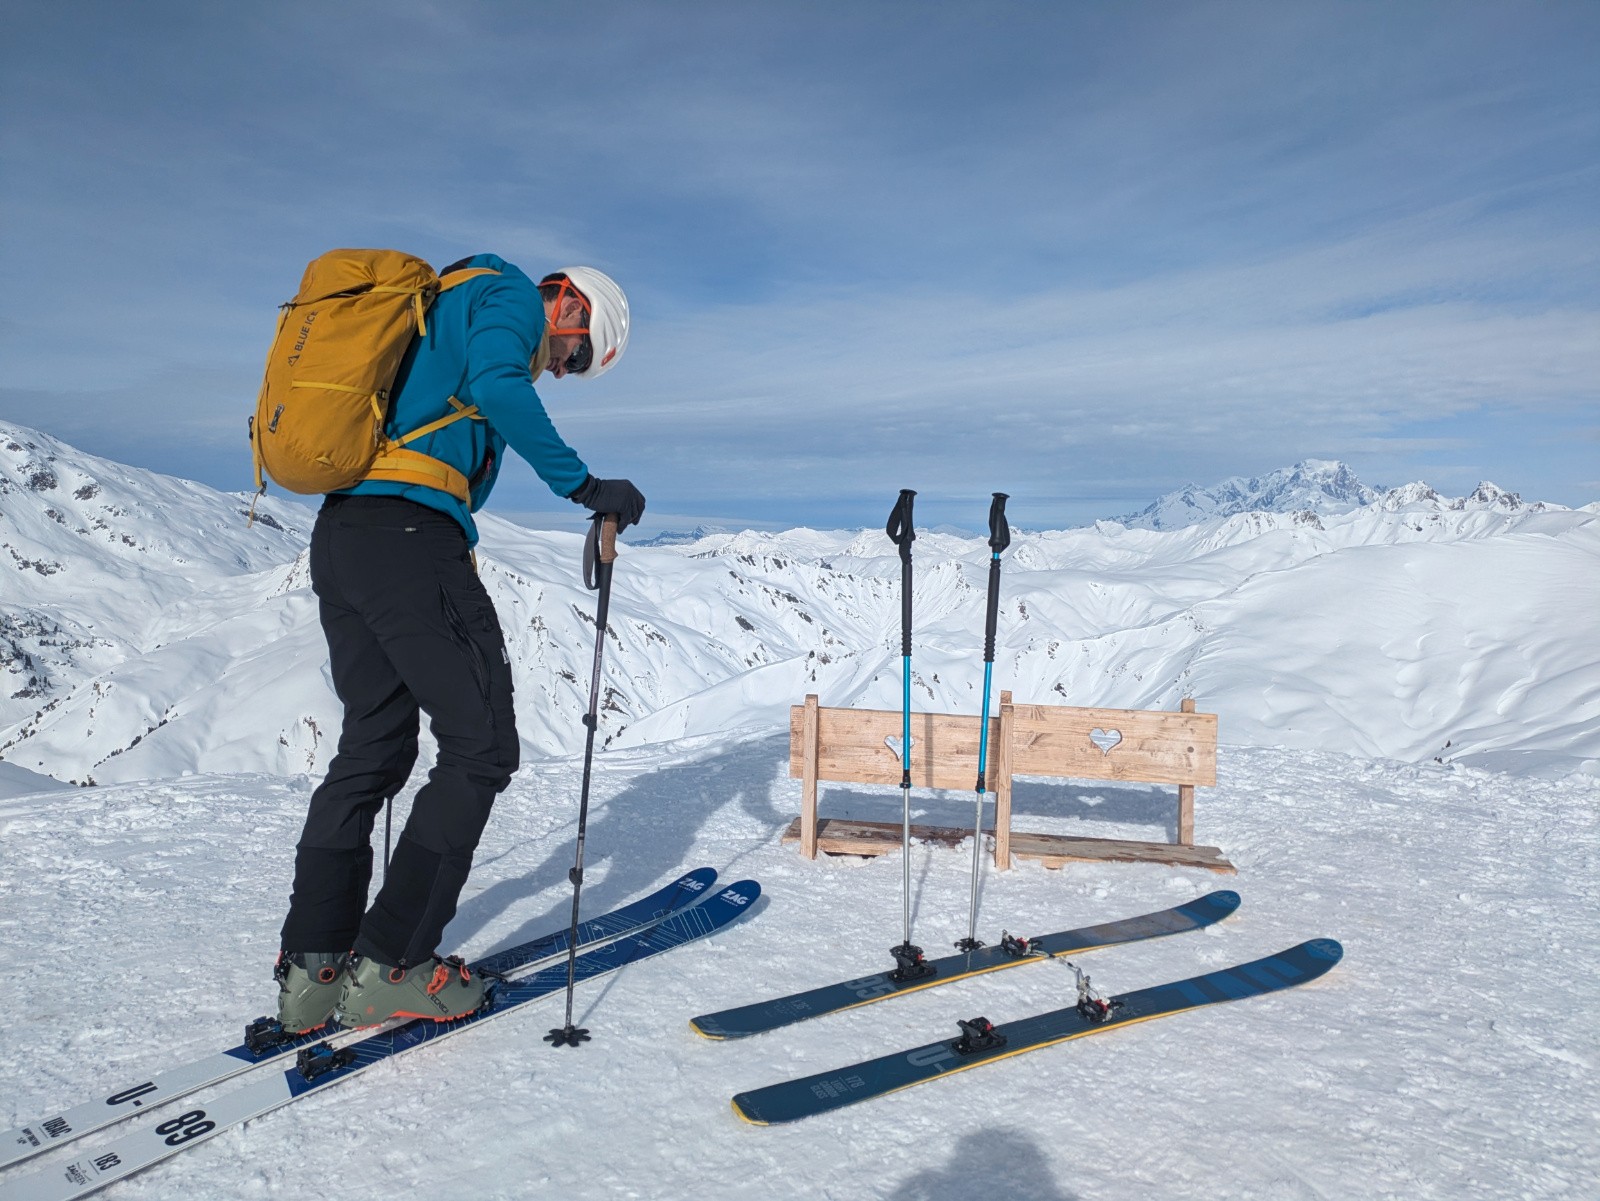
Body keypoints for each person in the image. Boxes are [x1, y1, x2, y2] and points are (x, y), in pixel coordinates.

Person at [272, 256, 646, 1033]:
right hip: (410, 537)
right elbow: (500, 389)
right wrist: (585, 486)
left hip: (345, 536)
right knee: (481, 747)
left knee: (372, 748)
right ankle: (392, 966)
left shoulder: (445, 303)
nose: (564, 370)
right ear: (569, 303)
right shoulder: (507, 294)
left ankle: (314, 971)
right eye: (578, 355)